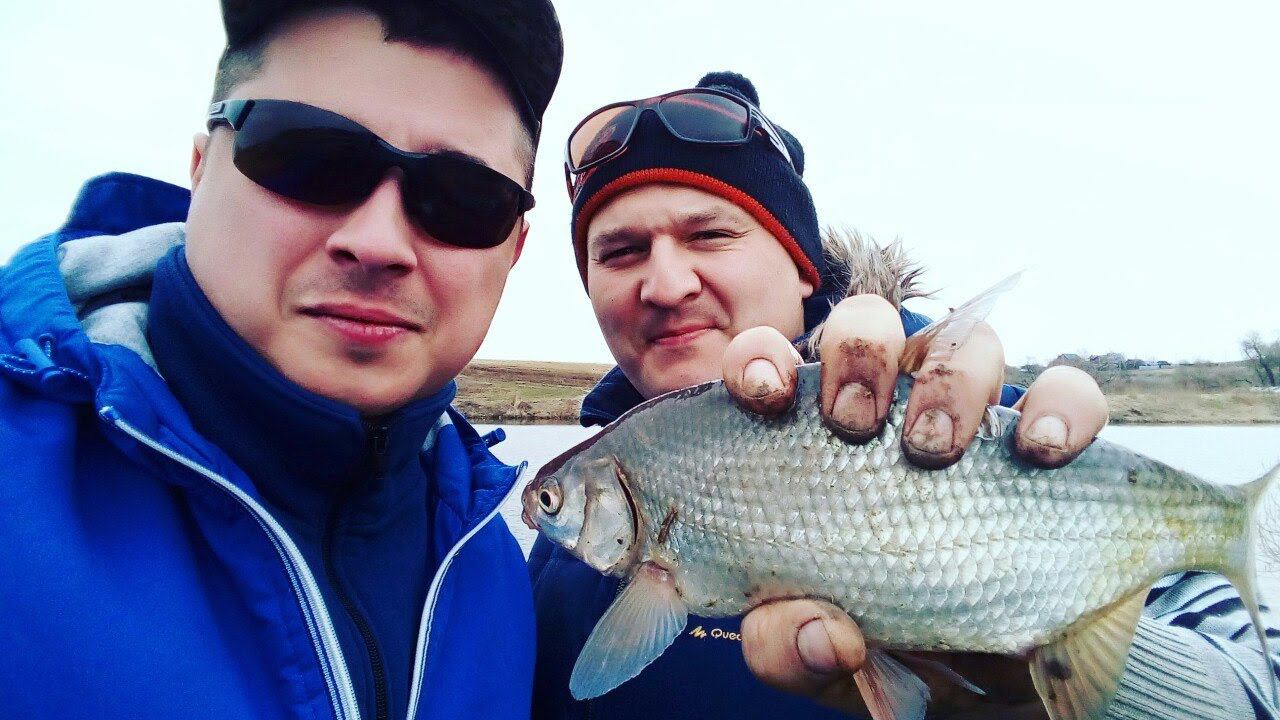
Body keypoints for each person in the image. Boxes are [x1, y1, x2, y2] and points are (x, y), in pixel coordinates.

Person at [530, 71, 1280, 719]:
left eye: (709, 235)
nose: (665, 285)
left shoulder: (994, 427)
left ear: (802, 267)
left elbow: (1260, 688)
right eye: (621, 251)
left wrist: (1051, 673)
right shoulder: (555, 562)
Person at [0, 2, 562, 718]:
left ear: (514, 249)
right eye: (308, 157)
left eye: (463, 198)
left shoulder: (493, 566)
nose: (378, 242)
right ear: (201, 168)